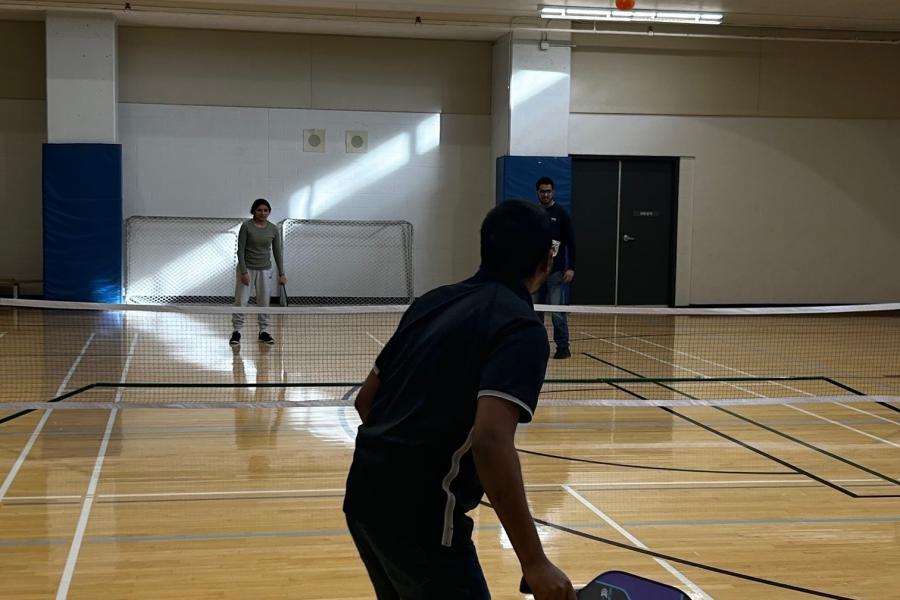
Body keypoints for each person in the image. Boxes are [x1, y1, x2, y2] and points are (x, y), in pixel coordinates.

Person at [344, 201, 575, 600]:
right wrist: (534, 561)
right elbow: (490, 441)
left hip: (364, 496)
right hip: (424, 518)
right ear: (545, 261)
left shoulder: (431, 303)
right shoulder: (520, 327)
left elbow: (367, 401)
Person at [230, 198, 286, 346]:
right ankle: (237, 331)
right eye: (259, 210)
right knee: (241, 301)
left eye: (265, 210)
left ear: (269, 212)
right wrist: (243, 272)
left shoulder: (273, 229)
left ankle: (264, 331)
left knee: (264, 301)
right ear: (254, 211)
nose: (262, 213)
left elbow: (277, 253)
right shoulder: (246, 227)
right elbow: (240, 250)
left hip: (265, 270)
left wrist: (282, 273)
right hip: (246, 268)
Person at [533, 177, 576, 360]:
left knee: (557, 312)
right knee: (535, 312)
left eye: (548, 191)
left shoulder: (561, 214)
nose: (545, 194)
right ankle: (536, 348)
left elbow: (571, 243)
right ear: (538, 192)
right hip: (535, 273)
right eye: (542, 191)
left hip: (556, 273)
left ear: (553, 192)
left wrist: (571, 267)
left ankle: (563, 347)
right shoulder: (532, 214)